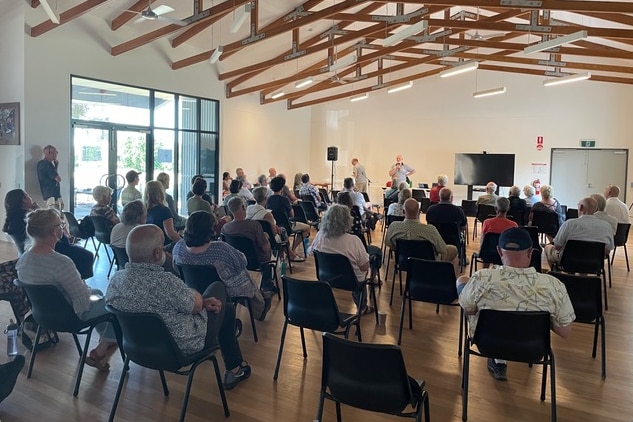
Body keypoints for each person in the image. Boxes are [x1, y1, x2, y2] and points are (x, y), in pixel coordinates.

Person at [106, 224, 251, 390]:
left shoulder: (115, 281)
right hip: (180, 348)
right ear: (156, 253)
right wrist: (201, 300)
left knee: (227, 310)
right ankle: (234, 368)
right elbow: (196, 306)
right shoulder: (166, 282)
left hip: (136, 348)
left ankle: (235, 367)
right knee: (219, 293)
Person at [457, 227, 575, 381]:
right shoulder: (553, 285)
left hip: (487, 344)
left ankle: (498, 359)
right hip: (532, 349)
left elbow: (468, 310)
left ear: (499, 252)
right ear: (530, 252)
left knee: (462, 282)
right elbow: (564, 331)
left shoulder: (481, 278)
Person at [16, 209, 117, 372]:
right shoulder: (61, 263)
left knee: (97, 293)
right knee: (115, 306)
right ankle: (103, 347)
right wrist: (87, 289)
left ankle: (103, 347)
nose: (63, 228)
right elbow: (83, 303)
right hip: (71, 316)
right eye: (61, 225)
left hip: (42, 316)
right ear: (54, 231)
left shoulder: (23, 261)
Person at [172, 211, 272, 321]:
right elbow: (242, 262)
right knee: (244, 278)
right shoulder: (220, 249)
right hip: (222, 291)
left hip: (192, 290)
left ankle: (261, 300)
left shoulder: (178, 247)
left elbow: (176, 269)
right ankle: (260, 307)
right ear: (210, 229)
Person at [308, 204, 374, 314]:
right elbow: (365, 266)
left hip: (326, 277)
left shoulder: (320, 236)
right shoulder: (354, 240)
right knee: (365, 269)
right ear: (347, 221)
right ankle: (362, 307)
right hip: (351, 281)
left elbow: (310, 252)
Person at [386, 198, 459, 275]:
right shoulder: (430, 230)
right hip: (429, 263)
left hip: (404, 262)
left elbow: (390, 244)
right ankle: (450, 282)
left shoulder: (393, 227)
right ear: (419, 212)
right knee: (454, 249)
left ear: (403, 212)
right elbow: (442, 249)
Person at [222, 197, 275, 293]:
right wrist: (266, 238)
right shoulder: (254, 225)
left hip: (234, 261)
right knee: (267, 249)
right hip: (255, 261)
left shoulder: (225, 228)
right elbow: (265, 248)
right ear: (243, 207)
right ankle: (267, 285)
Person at [544, 197, 614, 268]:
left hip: (568, 261)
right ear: (596, 210)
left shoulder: (569, 224)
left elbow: (557, 246)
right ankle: (583, 275)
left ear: (581, 207)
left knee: (547, 247)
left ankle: (555, 274)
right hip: (594, 262)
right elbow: (607, 250)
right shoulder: (607, 226)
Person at [246, 187, 304, 262]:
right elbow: (274, 233)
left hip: (254, 237)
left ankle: (286, 257)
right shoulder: (267, 214)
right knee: (282, 231)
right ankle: (288, 256)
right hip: (269, 239)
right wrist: (276, 228)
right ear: (266, 198)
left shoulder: (249, 208)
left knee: (280, 232)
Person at [337, 192, 382, 281]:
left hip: (337, 249)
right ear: (350, 204)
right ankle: (373, 278)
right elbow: (359, 234)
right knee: (377, 251)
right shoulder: (354, 217)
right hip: (355, 248)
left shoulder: (333, 218)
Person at [266, 176, 310, 254]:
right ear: (282, 187)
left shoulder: (268, 199)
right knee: (307, 228)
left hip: (274, 226)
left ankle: (288, 251)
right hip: (287, 226)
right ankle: (293, 249)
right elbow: (292, 215)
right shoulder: (284, 200)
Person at [144, 180, 181, 246]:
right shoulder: (164, 211)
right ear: (161, 193)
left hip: (147, 245)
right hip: (162, 245)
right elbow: (170, 234)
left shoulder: (143, 210)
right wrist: (183, 243)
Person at [3, 189, 40, 254]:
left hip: (23, 256)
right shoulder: (28, 220)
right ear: (24, 200)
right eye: (28, 196)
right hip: (34, 255)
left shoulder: (12, 221)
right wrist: (39, 212)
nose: (30, 198)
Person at [36, 144, 63, 210]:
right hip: (52, 197)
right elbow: (58, 179)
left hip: (50, 195)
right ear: (49, 153)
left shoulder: (43, 164)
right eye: (55, 152)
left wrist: (56, 166)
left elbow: (52, 176)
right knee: (55, 216)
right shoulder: (46, 164)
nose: (56, 154)